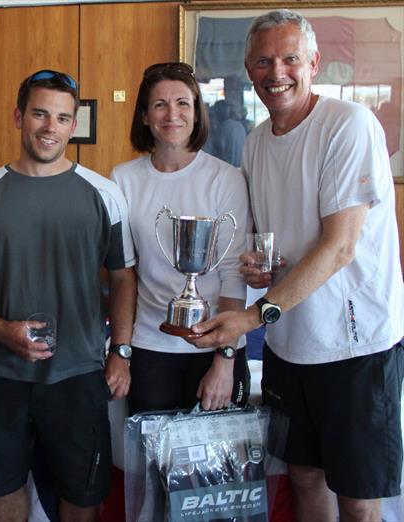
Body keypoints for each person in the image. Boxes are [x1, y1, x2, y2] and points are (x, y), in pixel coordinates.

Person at [190, 9, 404, 521]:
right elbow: (275, 239)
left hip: (354, 345)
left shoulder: (347, 125)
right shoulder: (257, 142)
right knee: (305, 478)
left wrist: (254, 314)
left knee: (357, 495)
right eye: (263, 61)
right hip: (290, 343)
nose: (276, 72)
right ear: (247, 69)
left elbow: (339, 247)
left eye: (289, 58)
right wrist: (259, 266)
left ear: (315, 62)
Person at [0, 69, 136, 522]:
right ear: (18, 117)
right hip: (1, 372)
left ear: (74, 125)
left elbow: (124, 278)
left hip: (78, 372)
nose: (51, 127)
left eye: (63, 118)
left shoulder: (104, 195)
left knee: (83, 494)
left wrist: (121, 352)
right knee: (2, 490)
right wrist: (2, 331)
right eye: (40, 114)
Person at [111, 62, 252, 415]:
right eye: (160, 105)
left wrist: (224, 360)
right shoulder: (123, 178)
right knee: (154, 466)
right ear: (144, 116)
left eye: (182, 103)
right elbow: (122, 272)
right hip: (149, 346)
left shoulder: (225, 178)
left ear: (197, 112)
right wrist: (122, 350)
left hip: (216, 348)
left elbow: (233, 275)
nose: (172, 114)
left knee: (216, 468)